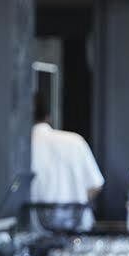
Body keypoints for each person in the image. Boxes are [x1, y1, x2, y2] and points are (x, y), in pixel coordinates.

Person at [28, 90, 104, 227]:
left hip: (36, 232)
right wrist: (73, 204)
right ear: (48, 116)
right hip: (79, 232)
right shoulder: (75, 141)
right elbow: (96, 185)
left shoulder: (24, 149)